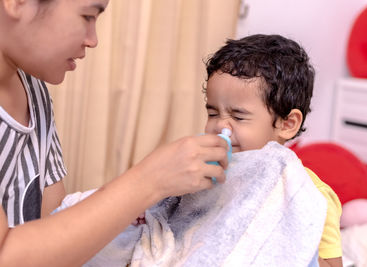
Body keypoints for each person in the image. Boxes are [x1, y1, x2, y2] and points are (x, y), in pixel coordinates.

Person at [0, 0, 229, 266]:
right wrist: (149, 181)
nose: (93, 40)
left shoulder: (34, 91)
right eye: (87, 16)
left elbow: (55, 223)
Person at [203, 34, 343, 267]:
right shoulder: (210, 172)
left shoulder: (310, 196)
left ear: (287, 124)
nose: (220, 126)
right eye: (213, 113)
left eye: (238, 116)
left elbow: (330, 263)